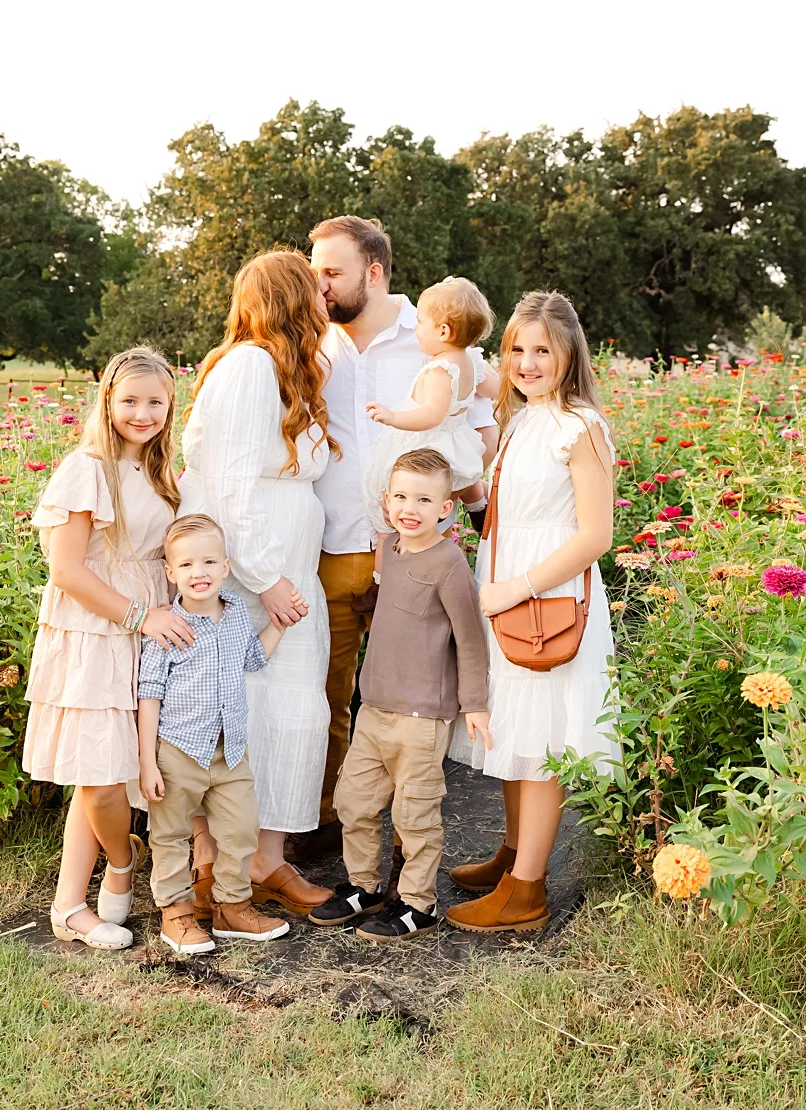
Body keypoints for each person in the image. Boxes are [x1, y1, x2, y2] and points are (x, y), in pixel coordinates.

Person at [307, 217, 499, 860]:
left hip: (416, 555)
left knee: (412, 698)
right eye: (316, 273)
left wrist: (477, 517)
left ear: (375, 271)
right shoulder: (311, 344)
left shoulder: (437, 339)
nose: (321, 285)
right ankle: (333, 823)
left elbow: (480, 424)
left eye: (332, 272)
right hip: (332, 546)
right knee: (329, 693)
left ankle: (412, 834)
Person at [445, 290, 620, 934]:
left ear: (570, 352)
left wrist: (514, 587)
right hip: (505, 594)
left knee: (543, 737)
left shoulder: (581, 427)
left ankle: (528, 892)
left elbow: (595, 536)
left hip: (546, 596)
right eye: (516, 348)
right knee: (514, 727)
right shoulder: (521, 419)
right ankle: (513, 854)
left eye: (542, 349)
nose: (526, 361)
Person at [179, 249, 337, 915]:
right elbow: (232, 489)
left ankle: (268, 862)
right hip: (253, 576)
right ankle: (215, 867)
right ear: (292, 299)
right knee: (236, 717)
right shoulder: (246, 367)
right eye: (315, 285)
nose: (327, 294)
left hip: (291, 572)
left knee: (293, 718)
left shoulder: (288, 371)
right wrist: (266, 579)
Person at [25, 348, 195, 951]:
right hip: (99, 628)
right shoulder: (87, 467)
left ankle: (68, 904)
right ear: (107, 402)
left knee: (106, 770)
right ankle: (122, 864)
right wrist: (139, 616)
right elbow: (67, 569)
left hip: (152, 626)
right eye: (130, 401)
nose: (142, 413)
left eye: (155, 402)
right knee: (98, 777)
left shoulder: (161, 470)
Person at [310, 449, 491, 941]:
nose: (411, 507)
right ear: (386, 501)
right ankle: (363, 886)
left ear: (446, 509)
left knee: (414, 812)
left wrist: (474, 703)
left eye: (424, 499)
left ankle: (417, 902)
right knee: (356, 801)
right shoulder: (388, 548)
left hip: (420, 714)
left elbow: (470, 637)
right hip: (374, 706)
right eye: (402, 496)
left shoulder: (449, 562)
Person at [138, 515, 295, 953]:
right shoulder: (168, 625)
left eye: (208, 561)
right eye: (186, 565)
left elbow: (252, 659)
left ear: (226, 566)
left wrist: (278, 627)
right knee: (169, 834)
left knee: (241, 829)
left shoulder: (236, 614)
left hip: (230, 750)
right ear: (170, 573)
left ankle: (231, 907)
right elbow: (148, 694)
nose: (198, 572)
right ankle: (177, 914)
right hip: (178, 750)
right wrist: (147, 761)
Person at [359, 277, 501, 539]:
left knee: (392, 505)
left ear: (444, 332)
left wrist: (393, 417)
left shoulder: (440, 370)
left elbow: (431, 415)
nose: (415, 328)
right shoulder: (469, 360)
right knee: (459, 480)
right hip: (460, 441)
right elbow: (494, 387)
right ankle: (478, 505)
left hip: (433, 443)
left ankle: (384, 571)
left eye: (421, 322)